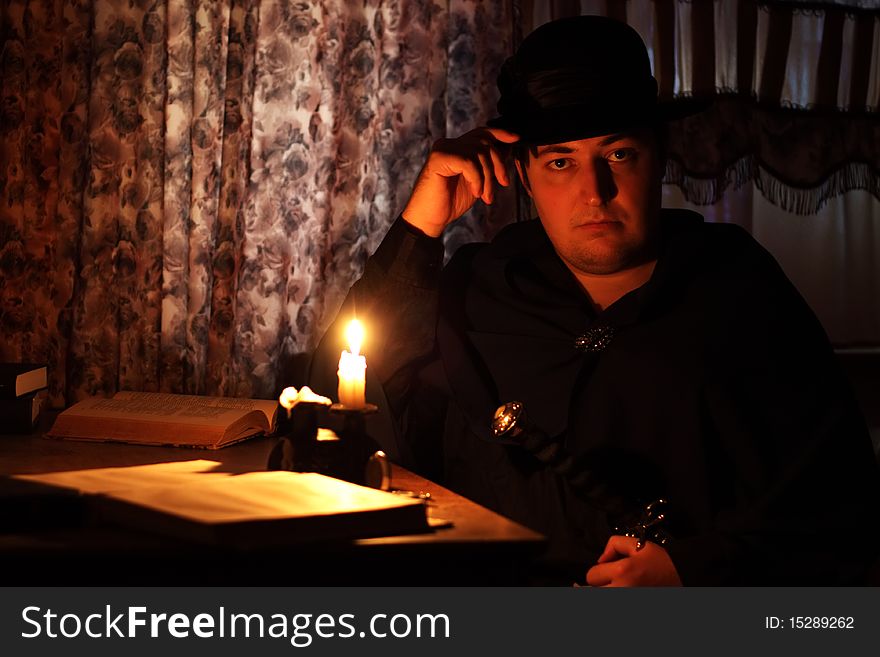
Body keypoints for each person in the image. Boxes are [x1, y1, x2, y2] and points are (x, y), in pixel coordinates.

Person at [309, 16, 880, 585]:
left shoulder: (743, 296)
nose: (594, 192)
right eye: (561, 161)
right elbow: (340, 396)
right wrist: (420, 225)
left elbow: (839, 513)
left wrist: (692, 572)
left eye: (619, 155)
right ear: (526, 178)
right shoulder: (480, 285)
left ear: (659, 158)